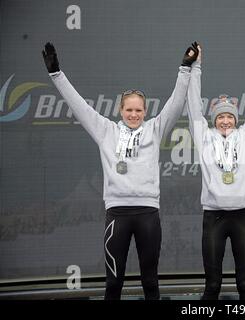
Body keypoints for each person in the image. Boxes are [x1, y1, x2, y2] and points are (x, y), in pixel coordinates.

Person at [41, 41, 199, 300]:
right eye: (129, 109)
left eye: (138, 110)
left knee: (150, 282)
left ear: (145, 112)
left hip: (148, 213)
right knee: (113, 283)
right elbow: (78, 105)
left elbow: (176, 103)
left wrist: (184, 68)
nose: (134, 114)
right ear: (120, 110)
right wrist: (56, 73)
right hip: (117, 214)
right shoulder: (106, 131)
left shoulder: (155, 130)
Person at [186, 44, 245, 300]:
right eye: (220, 117)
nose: (225, 121)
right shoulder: (204, 137)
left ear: (236, 120)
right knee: (212, 286)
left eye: (230, 117)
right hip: (214, 218)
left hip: (243, 217)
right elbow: (192, 106)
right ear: (214, 120)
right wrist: (195, 67)